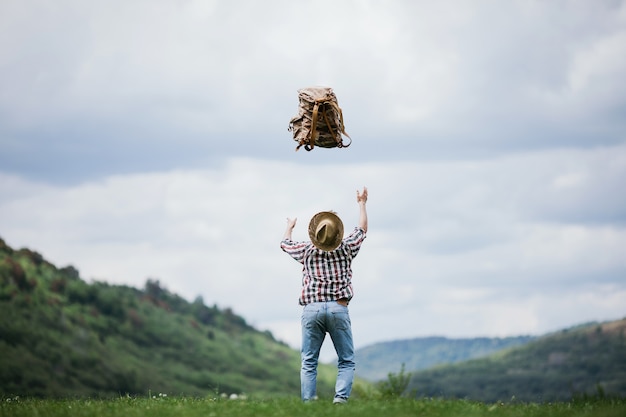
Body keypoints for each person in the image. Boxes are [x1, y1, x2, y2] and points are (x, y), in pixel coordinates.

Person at [280, 187, 368, 404]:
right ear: (338, 233)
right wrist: (362, 203)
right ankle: (339, 401)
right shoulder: (347, 247)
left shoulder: (306, 250)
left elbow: (285, 244)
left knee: (309, 362)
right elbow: (362, 230)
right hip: (339, 308)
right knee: (346, 360)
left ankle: (309, 404)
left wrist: (289, 227)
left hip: (312, 310)